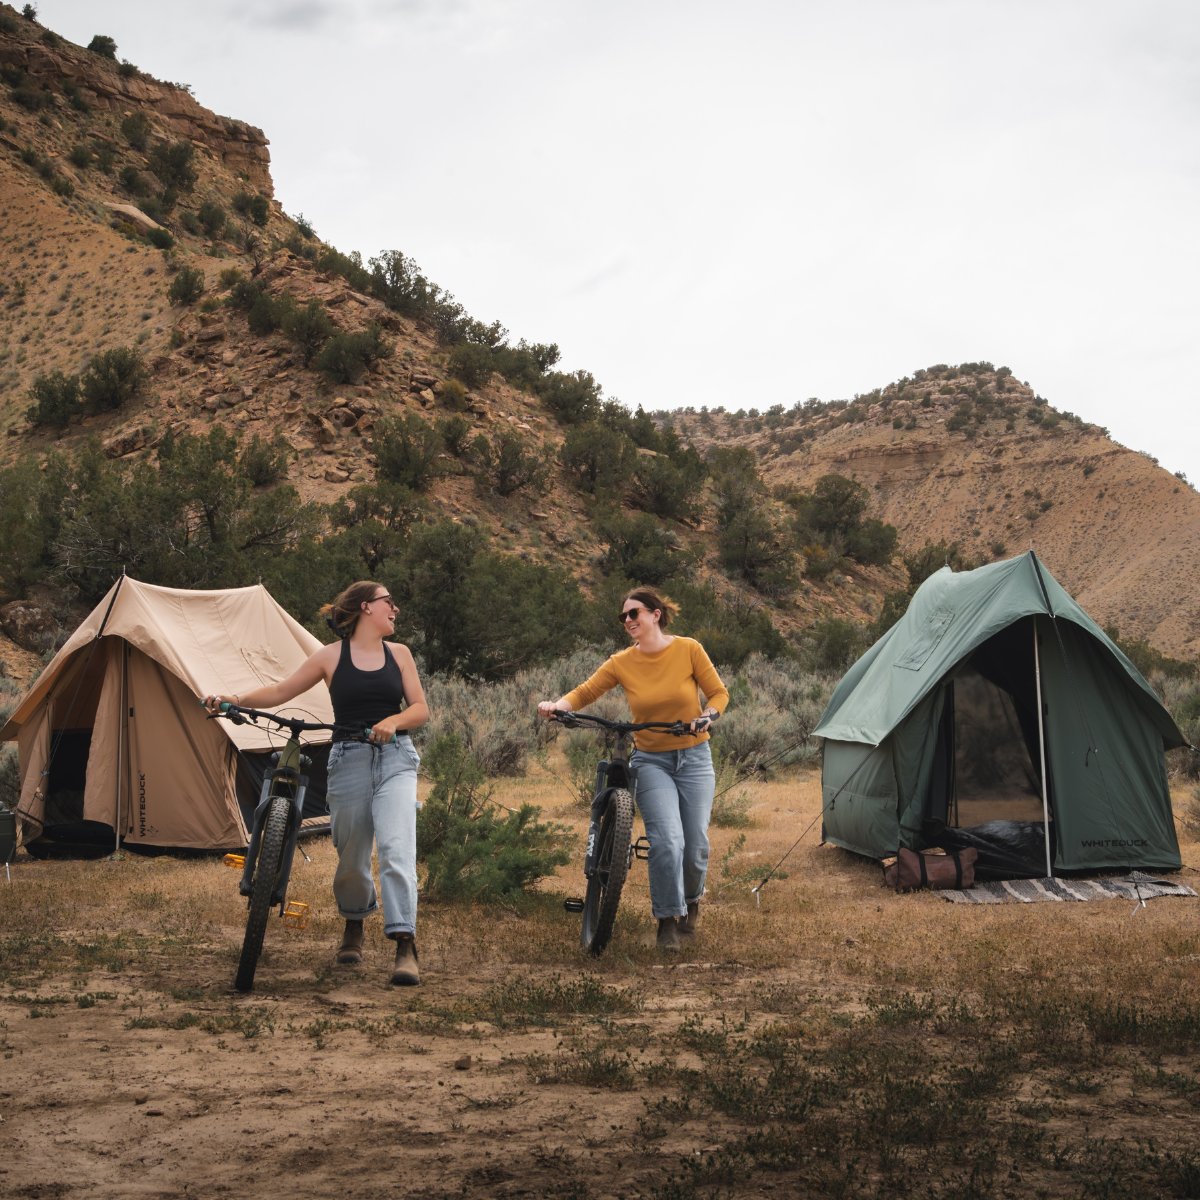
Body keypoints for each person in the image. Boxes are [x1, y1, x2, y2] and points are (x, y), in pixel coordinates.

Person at [204, 581, 429, 985]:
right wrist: (233, 699)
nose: (395, 609)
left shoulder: (400, 654)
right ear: (366, 607)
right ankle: (354, 923)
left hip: (396, 759)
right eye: (389, 602)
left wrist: (393, 721)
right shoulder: (330, 657)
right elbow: (280, 691)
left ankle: (404, 943)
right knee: (351, 855)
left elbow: (420, 709)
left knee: (397, 850)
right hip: (348, 760)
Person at [537, 587, 729, 951]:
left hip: (694, 758)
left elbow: (719, 693)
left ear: (655, 614)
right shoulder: (621, 661)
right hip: (651, 760)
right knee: (667, 841)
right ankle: (667, 921)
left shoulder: (689, 649)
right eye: (623, 616)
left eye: (634, 613)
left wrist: (708, 715)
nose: (627, 620)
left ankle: (691, 903)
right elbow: (586, 692)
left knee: (695, 845)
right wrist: (557, 706)